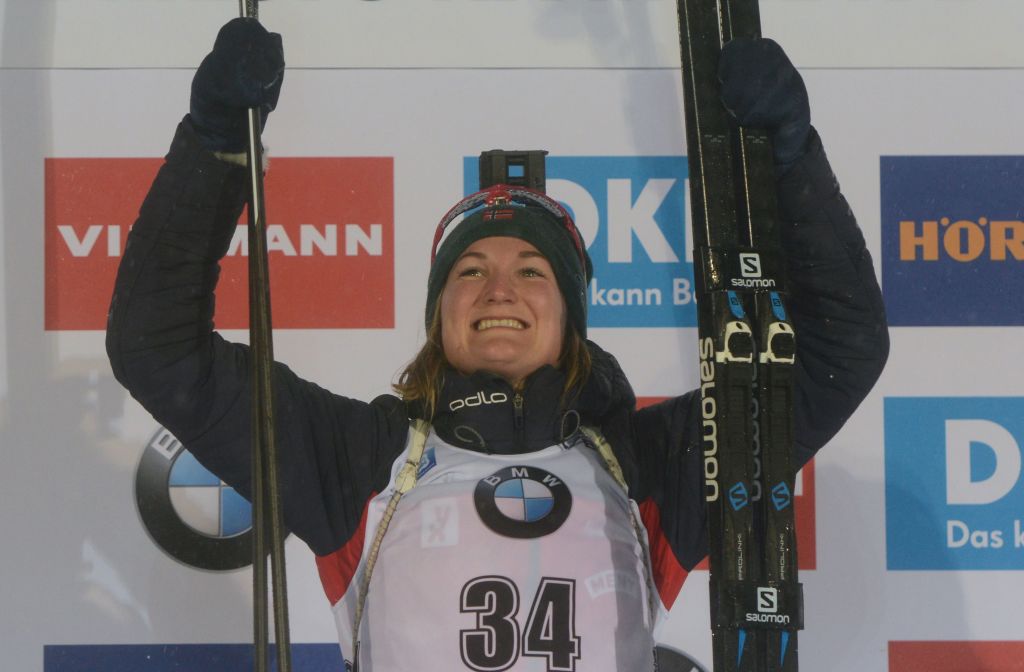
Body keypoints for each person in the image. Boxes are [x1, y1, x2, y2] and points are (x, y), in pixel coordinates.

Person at [106, 18, 888, 672]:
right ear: (439, 313)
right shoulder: (356, 458)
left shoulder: (652, 463)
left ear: (571, 316)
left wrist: (788, 159)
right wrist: (214, 150)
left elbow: (839, 352)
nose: (498, 289)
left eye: (531, 269)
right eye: (470, 270)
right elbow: (156, 347)